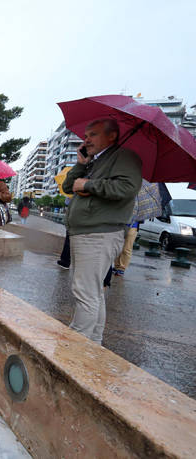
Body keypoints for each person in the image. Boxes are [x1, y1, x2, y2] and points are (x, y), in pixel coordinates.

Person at [62, 119, 142, 344]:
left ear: (112, 136)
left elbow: (127, 188)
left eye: (93, 134)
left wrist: (88, 185)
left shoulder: (124, 157)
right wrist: (81, 164)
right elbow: (68, 186)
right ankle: (92, 345)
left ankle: (76, 346)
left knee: (85, 292)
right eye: (86, 135)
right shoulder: (95, 162)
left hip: (98, 234)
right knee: (93, 291)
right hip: (86, 232)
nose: (86, 139)